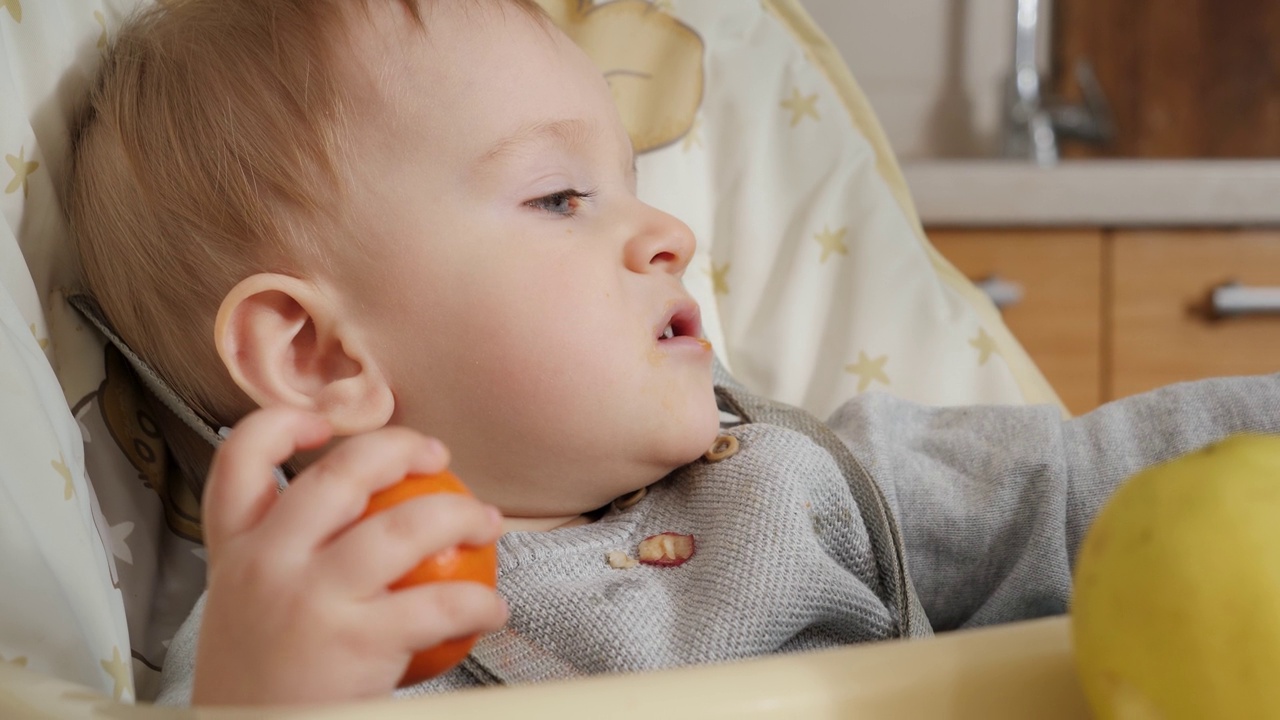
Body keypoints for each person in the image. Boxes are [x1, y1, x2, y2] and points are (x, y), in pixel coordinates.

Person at [65, 0, 1280, 709]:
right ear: (317, 352)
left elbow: (1098, 488)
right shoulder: (318, 622)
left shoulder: (807, 483)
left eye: (633, 186)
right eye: (558, 198)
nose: (668, 234)